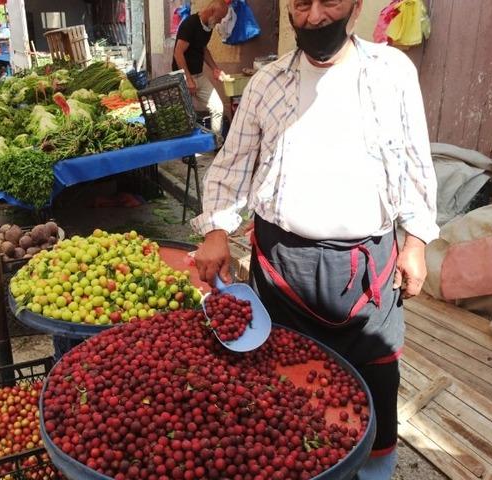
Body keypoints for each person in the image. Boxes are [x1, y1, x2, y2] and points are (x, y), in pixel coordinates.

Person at [191, 1, 438, 478]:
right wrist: (218, 228)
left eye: (330, 2)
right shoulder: (268, 83)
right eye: (302, 4)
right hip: (284, 267)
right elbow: (233, 165)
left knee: (376, 390)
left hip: (370, 270)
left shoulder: (392, 74)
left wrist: (417, 242)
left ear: (357, 6)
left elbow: (414, 164)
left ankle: (372, 471)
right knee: (288, 397)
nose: (316, 16)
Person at [171, 0, 229, 137]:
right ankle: (188, 154)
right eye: (220, 18)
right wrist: (188, 79)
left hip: (199, 75)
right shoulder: (189, 24)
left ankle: (216, 143)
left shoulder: (208, 26)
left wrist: (215, 68)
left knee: (217, 107)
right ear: (211, 12)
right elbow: (178, 53)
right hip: (182, 77)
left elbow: (203, 48)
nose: (220, 22)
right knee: (186, 117)